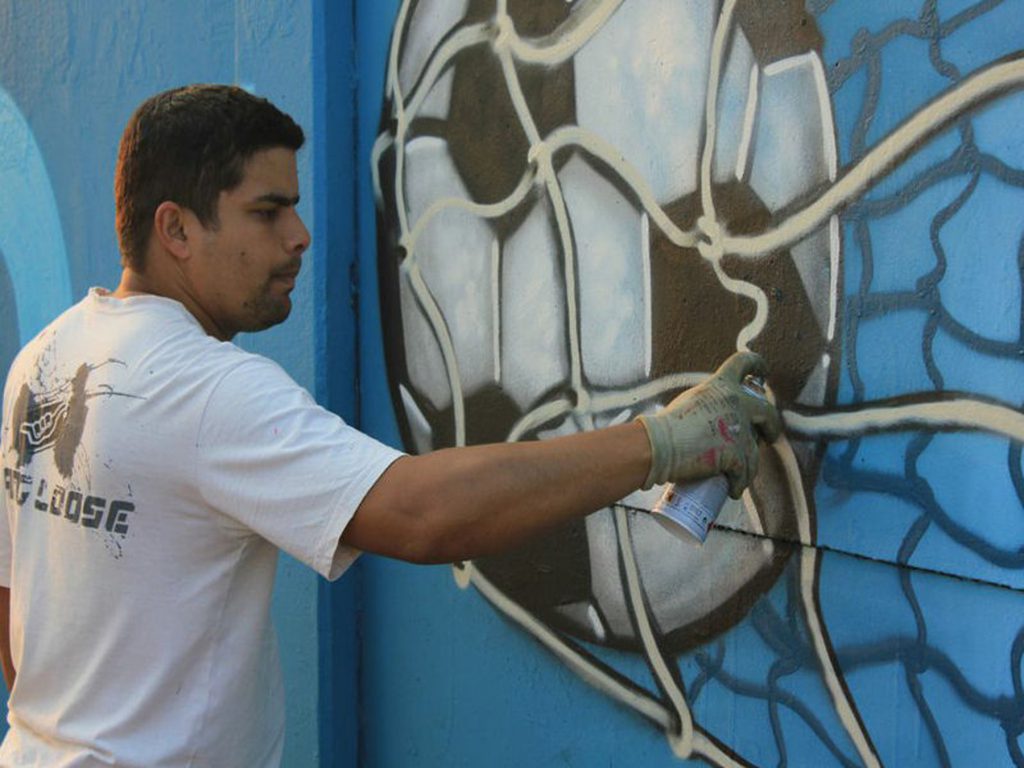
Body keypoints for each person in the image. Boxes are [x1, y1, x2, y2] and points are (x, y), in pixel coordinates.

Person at [0, 84, 781, 767]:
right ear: (175, 230)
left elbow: (15, 627)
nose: (299, 235)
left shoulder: (45, 358)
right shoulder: (205, 390)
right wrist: (662, 443)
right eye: (267, 212)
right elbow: (420, 513)